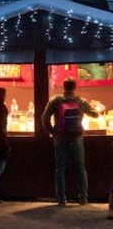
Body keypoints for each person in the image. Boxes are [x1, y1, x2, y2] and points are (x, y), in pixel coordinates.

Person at [41, 78, 99, 206]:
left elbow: (44, 118)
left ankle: (61, 199)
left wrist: (53, 132)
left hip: (60, 138)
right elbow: (95, 115)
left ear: (64, 87)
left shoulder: (55, 101)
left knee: (60, 169)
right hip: (76, 138)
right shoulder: (80, 101)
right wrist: (95, 107)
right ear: (75, 87)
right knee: (80, 168)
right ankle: (83, 198)